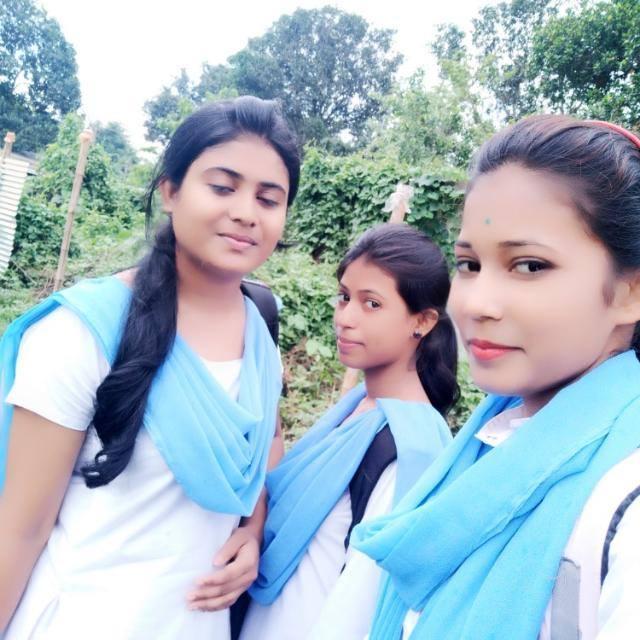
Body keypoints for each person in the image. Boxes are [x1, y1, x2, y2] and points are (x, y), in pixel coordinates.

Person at [0, 96, 300, 639]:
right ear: (170, 191)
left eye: (268, 198)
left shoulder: (260, 337)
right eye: (223, 187)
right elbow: (19, 530)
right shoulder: (85, 334)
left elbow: (264, 446)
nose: (246, 212)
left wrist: (253, 531)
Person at [352, 115, 640, 640]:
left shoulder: (626, 499)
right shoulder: (491, 440)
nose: (475, 304)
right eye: (468, 265)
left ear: (630, 291)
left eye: (529, 266)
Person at [240, 223, 458, 640]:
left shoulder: (411, 449)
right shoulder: (354, 408)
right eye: (344, 297)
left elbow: (364, 600)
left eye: (371, 304)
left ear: (423, 321)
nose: (345, 318)